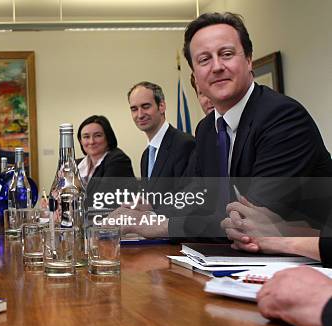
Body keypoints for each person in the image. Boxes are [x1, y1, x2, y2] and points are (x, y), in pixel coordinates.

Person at [111, 12, 332, 239]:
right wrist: (150, 210)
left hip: (309, 262)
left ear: (248, 60)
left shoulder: (282, 118)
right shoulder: (207, 128)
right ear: (195, 76)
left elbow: (247, 223)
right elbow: (199, 197)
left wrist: (155, 224)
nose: (216, 66)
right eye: (204, 60)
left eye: (226, 54)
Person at [127, 81, 195, 179]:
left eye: (146, 107)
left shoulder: (184, 144)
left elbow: (187, 192)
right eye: (134, 109)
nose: (140, 115)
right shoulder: (146, 156)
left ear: (162, 106)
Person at [76, 114, 134, 189]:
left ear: (108, 137)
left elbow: (101, 196)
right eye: (86, 137)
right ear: (80, 141)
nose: (91, 142)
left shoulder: (118, 160)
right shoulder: (76, 164)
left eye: (98, 135)